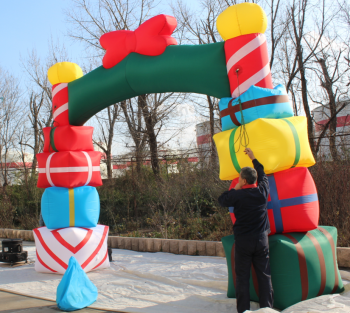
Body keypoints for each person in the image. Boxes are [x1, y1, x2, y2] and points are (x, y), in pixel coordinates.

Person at [218, 147, 273, 313]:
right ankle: (267, 309)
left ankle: (243, 310)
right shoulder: (262, 192)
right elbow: (262, 173)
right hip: (261, 240)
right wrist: (253, 158)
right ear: (254, 181)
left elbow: (222, 200)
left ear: (242, 181)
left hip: (243, 241)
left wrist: (235, 188)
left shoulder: (237, 195)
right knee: (264, 276)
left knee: (242, 277)